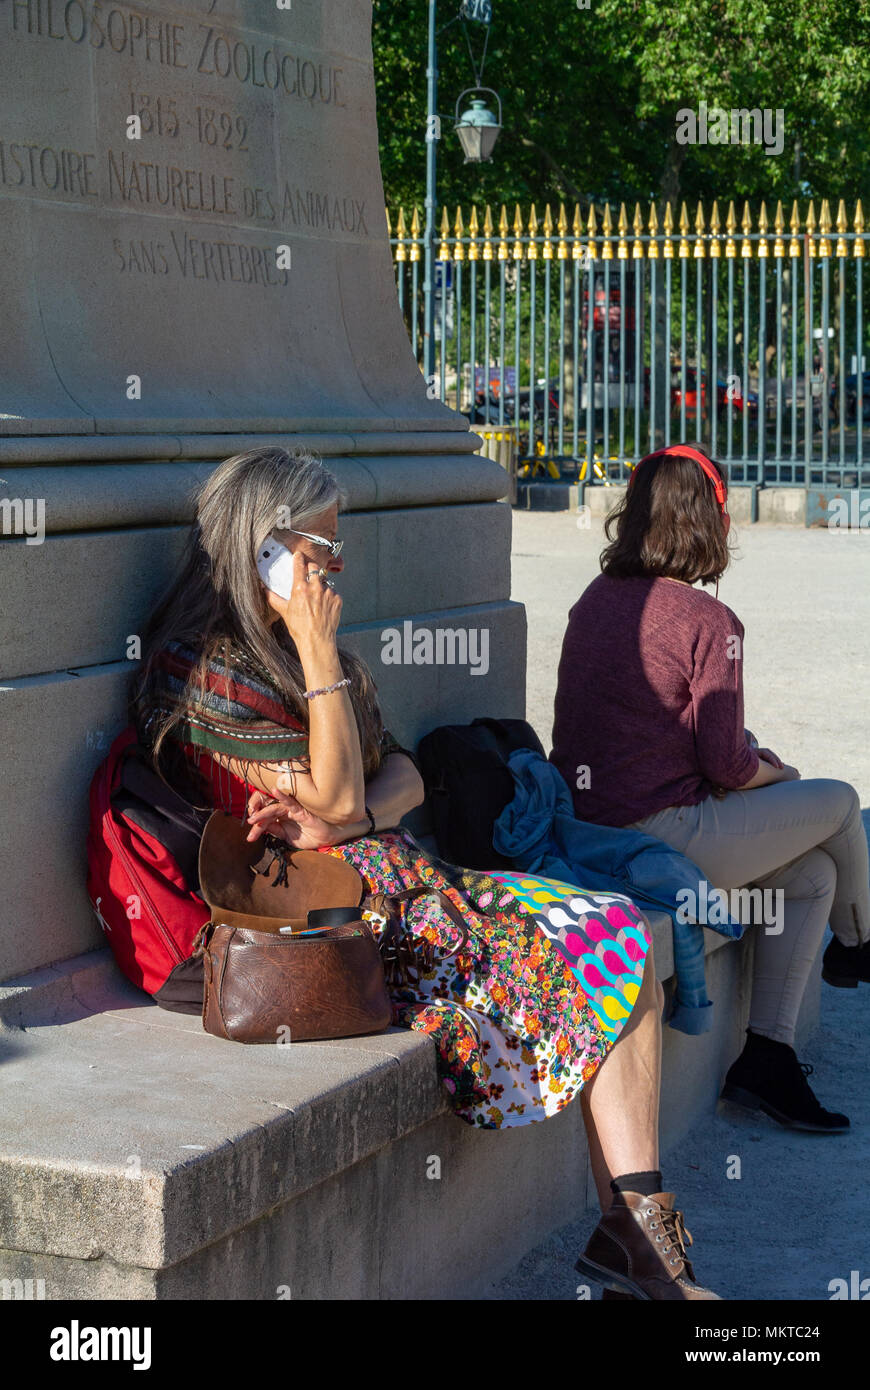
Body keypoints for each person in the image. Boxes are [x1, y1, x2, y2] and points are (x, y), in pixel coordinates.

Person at [124, 445, 720, 1300]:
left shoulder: (313, 657)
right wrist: (317, 653)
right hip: (338, 924)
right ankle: (643, 1256)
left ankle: (635, 1232)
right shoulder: (200, 672)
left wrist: (351, 814)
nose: (336, 567)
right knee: (595, 953)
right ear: (265, 550)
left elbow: (401, 775)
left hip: (400, 880)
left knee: (616, 923)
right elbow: (331, 782)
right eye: (320, 549)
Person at [551, 443, 870, 1134]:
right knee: (840, 801)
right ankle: (858, 946)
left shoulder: (594, 601)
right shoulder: (709, 622)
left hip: (587, 826)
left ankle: (767, 1059)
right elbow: (726, 766)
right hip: (658, 834)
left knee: (813, 874)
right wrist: (777, 772)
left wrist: (743, 761)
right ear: (711, 522)